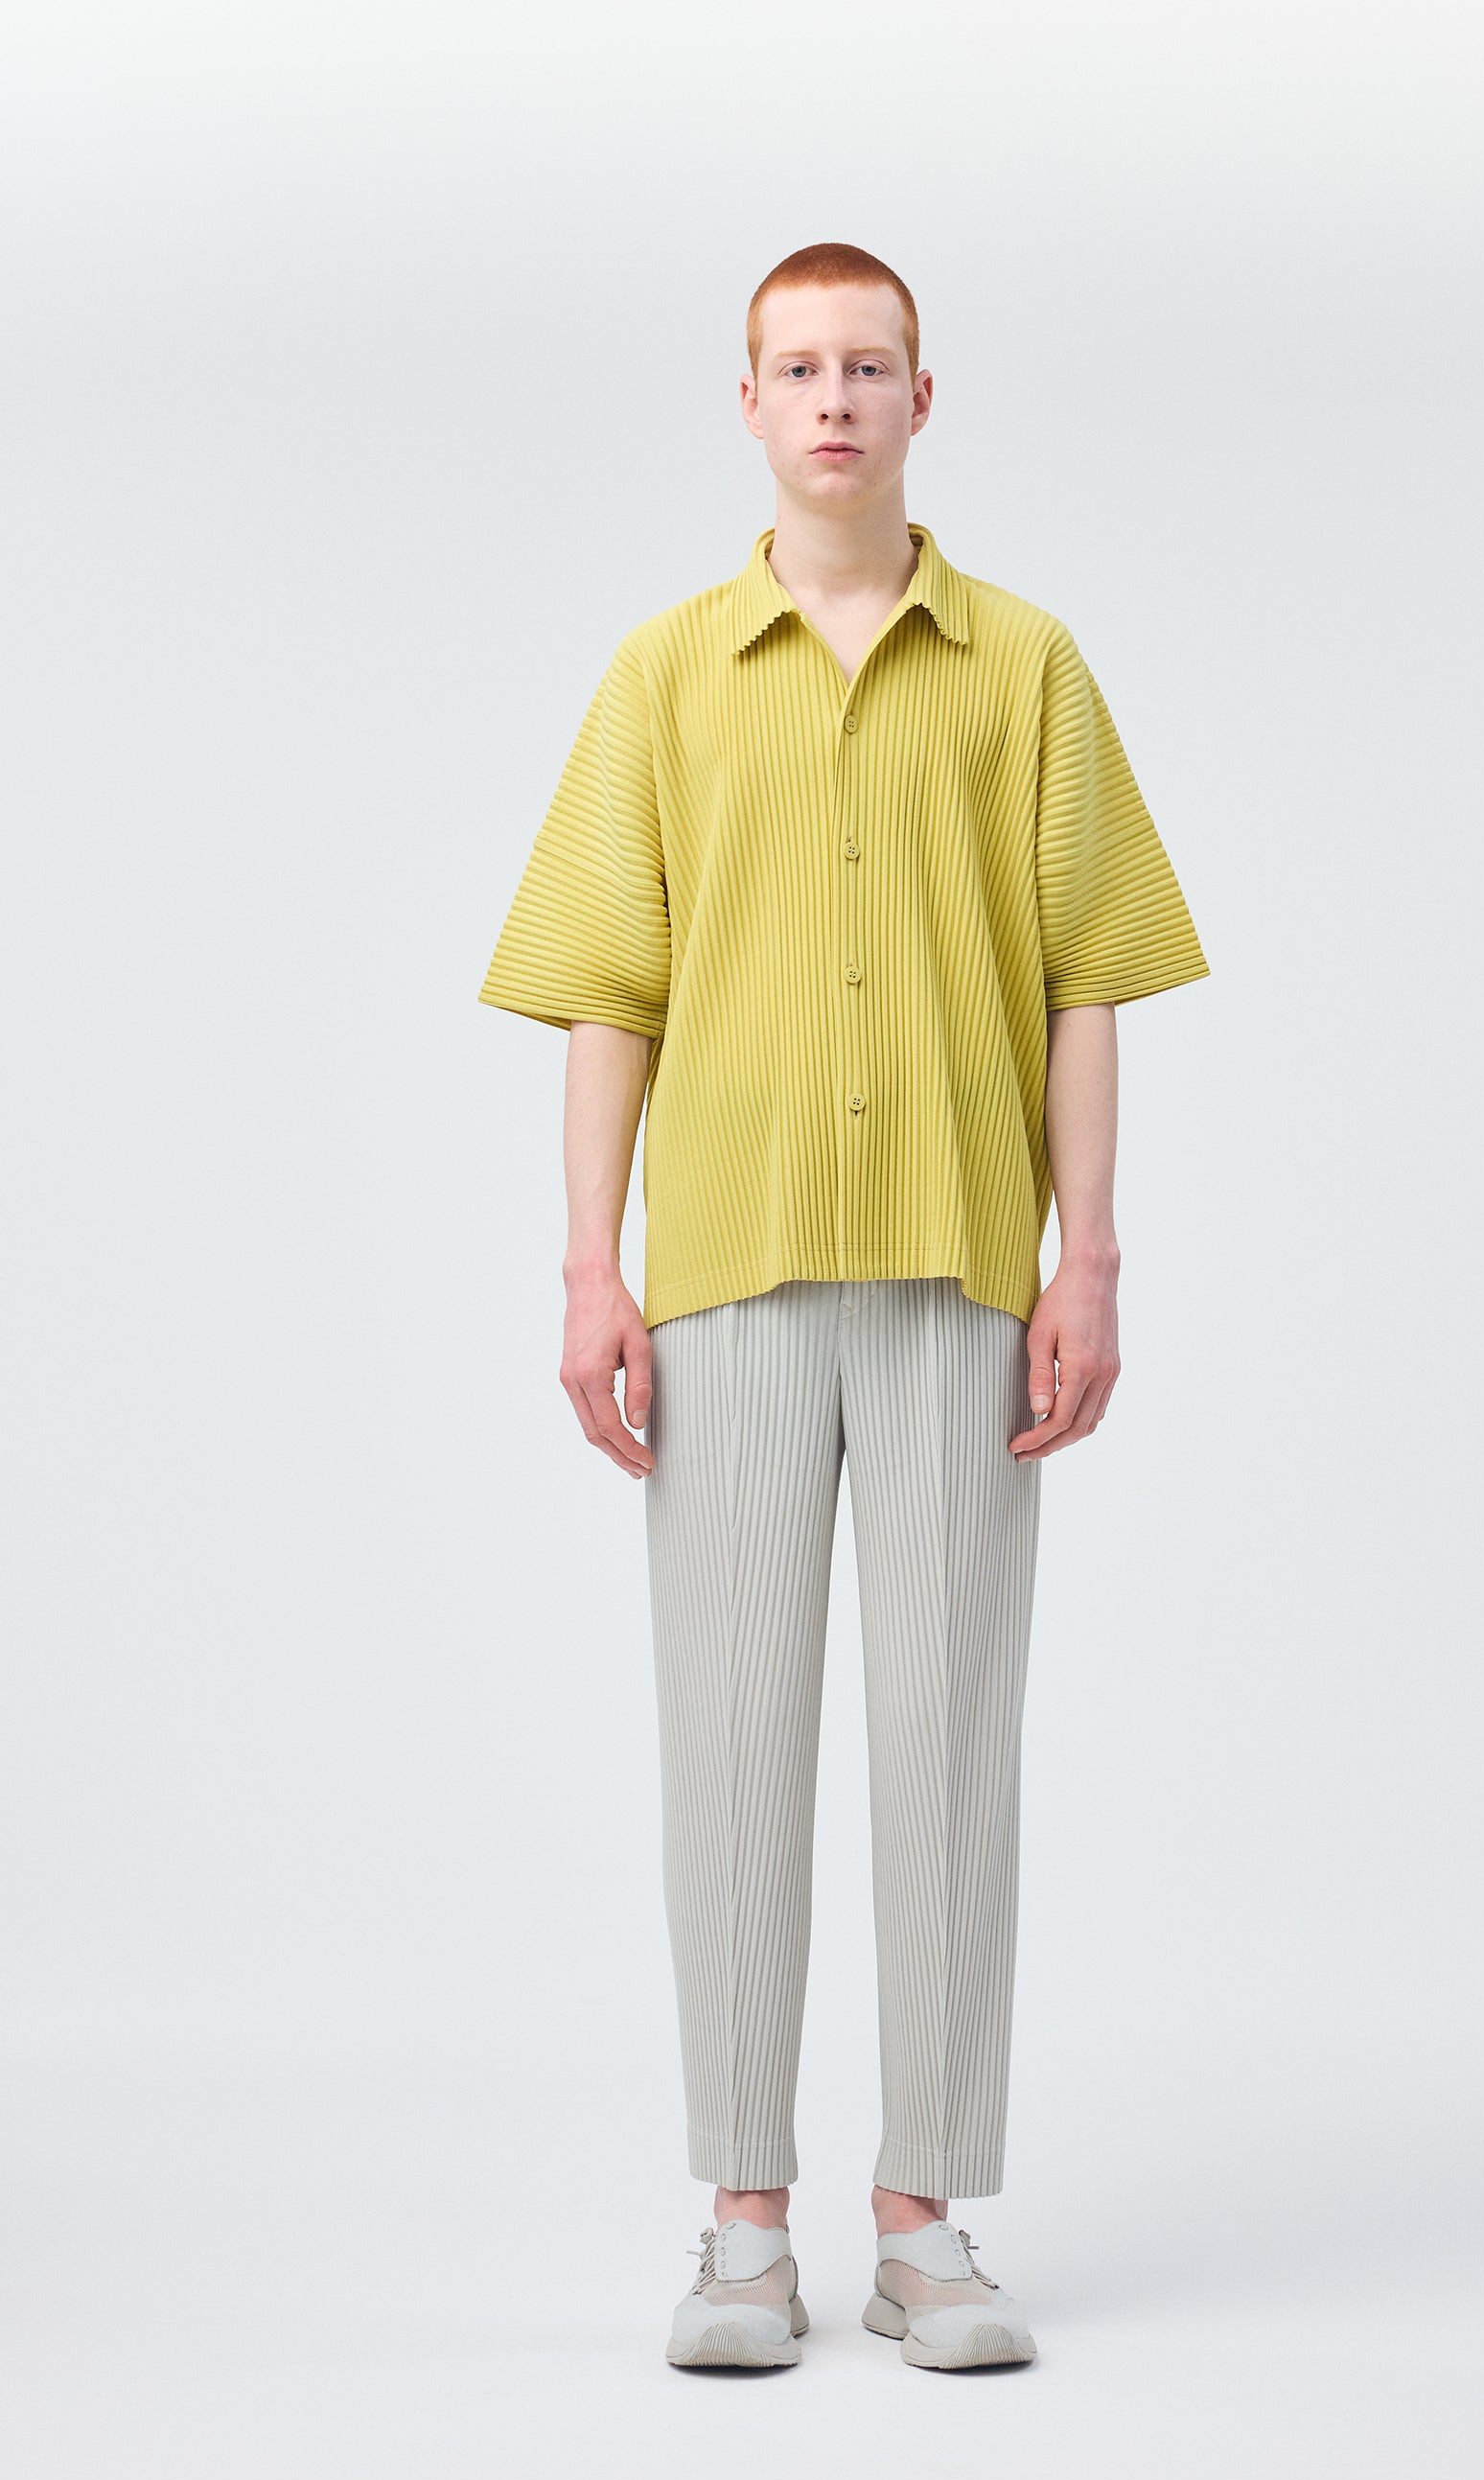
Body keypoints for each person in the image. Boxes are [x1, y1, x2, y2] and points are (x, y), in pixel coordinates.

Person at [478, 242, 1208, 2371]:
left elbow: (1086, 979)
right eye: (795, 367)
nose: (831, 399)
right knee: (730, 1740)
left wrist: (1089, 1258)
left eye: (865, 365)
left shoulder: (1029, 667)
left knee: (951, 1738)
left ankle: (925, 2222)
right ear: (747, 403)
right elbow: (607, 994)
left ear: (919, 397)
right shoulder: (663, 675)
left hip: (965, 1264)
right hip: (724, 1270)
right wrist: (590, 1266)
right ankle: (741, 2227)